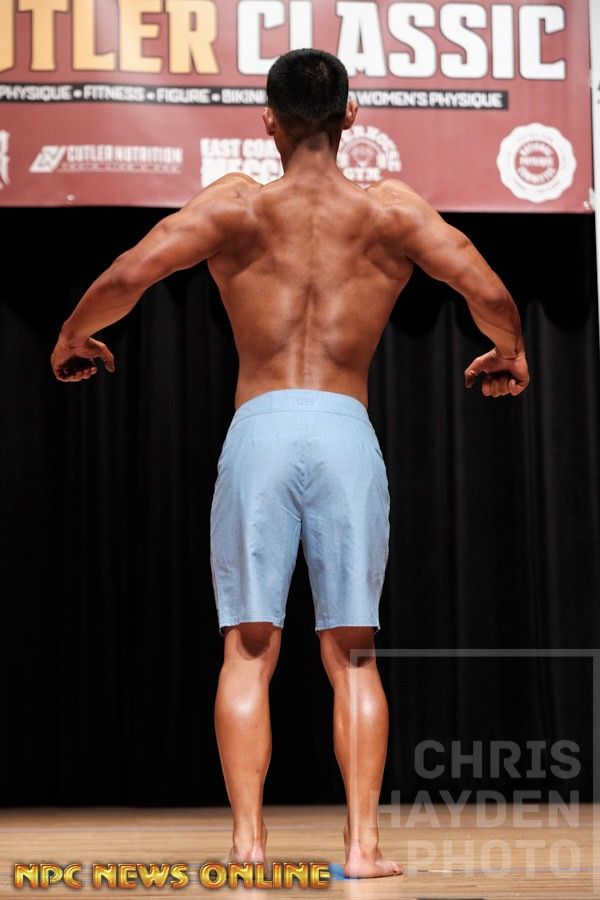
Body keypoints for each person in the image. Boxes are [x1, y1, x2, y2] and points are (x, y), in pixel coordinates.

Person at [50, 48, 529, 879]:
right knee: (353, 652)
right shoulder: (391, 212)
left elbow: (131, 272)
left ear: (267, 120)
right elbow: (486, 290)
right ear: (351, 117)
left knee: (247, 648)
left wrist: (72, 335)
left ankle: (247, 844)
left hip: (261, 428)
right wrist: (509, 350)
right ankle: (363, 847)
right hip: (344, 430)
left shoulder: (236, 207)